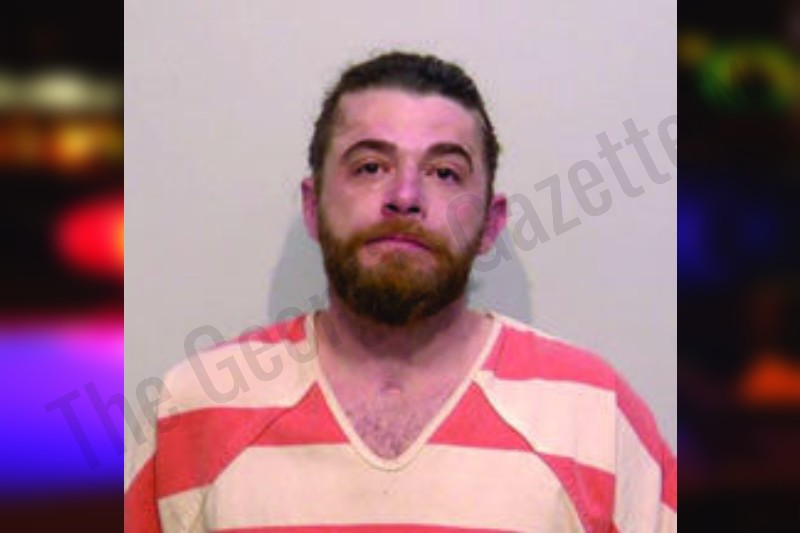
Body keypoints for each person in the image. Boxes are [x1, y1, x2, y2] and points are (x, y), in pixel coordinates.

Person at [124, 51, 677, 532]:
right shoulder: (195, 408)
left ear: (491, 223)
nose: (405, 196)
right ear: (313, 207)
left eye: (445, 172)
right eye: (370, 166)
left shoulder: (594, 415)